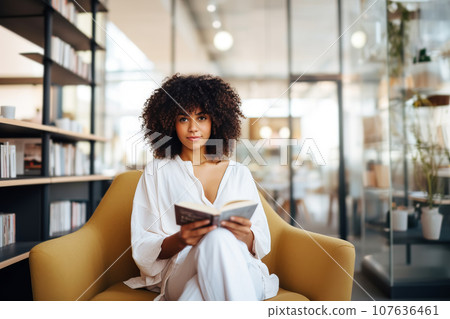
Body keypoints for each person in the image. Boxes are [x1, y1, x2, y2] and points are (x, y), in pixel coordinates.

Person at [124, 74, 279, 301]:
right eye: (183, 119)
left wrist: (244, 235)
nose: (193, 128)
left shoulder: (238, 173)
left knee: (197, 292)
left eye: (202, 117)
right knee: (215, 239)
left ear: (216, 121)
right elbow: (143, 244)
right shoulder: (156, 172)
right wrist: (181, 239)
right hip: (181, 270)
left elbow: (260, 241)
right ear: (169, 123)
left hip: (242, 268)